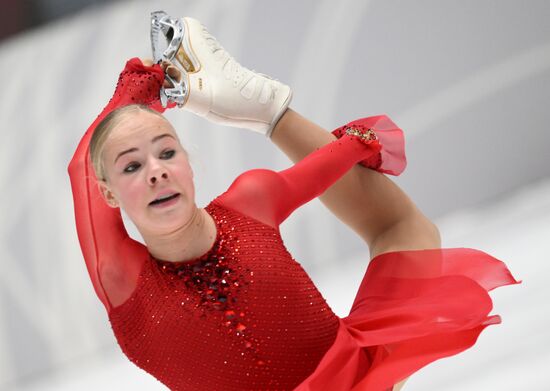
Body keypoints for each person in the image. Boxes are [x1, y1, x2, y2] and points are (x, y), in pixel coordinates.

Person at [68, 14, 519, 391]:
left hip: (351, 380)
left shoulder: (249, 204)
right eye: (130, 167)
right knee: (397, 226)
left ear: (189, 164)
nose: (156, 170)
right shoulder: (121, 276)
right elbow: (80, 166)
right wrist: (135, 89)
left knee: (403, 226)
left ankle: (267, 109)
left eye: (167, 152)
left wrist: (345, 140)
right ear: (107, 192)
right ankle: (266, 111)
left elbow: (359, 182)